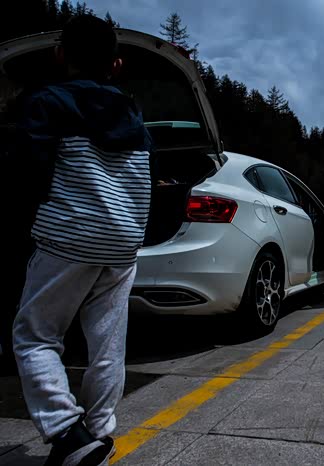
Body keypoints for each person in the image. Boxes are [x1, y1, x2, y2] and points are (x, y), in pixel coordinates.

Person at [12, 16, 153, 466]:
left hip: (68, 238)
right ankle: (99, 435)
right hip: (122, 244)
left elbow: (27, 174)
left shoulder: (47, 102)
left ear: (60, 54)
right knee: (107, 344)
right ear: (116, 64)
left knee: (35, 337)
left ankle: (66, 431)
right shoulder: (133, 113)